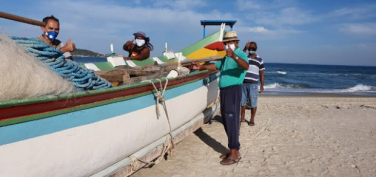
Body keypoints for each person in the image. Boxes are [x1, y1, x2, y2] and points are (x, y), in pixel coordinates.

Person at [192, 31, 249, 165]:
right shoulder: (226, 57)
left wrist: (233, 55)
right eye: (225, 43)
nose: (227, 45)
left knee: (232, 120)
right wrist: (200, 67)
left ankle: (234, 153)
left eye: (230, 42)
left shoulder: (239, 54)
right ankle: (233, 150)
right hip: (225, 91)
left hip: (233, 90)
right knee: (227, 119)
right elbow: (216, 66)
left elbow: (246, 66)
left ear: (236, 43)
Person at [241, 41, 265, 126]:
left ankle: (252, 119)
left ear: (256, 49)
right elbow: (239, 57)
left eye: (253, 48)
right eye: (250, 48)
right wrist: (245, 47)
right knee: (242, 102)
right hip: (243, 83)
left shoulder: (260, 59)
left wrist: (262, 85)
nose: (251, 50)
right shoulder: (245, 57)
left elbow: (262, 73)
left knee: (253, 102)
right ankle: (242, 118)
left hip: (253, 84)